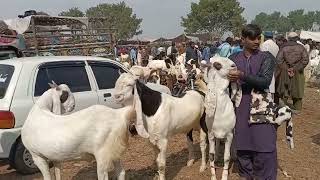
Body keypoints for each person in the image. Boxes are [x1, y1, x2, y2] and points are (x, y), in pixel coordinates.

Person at [228, 24, 277, 180]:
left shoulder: (266, 57)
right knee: (243, 145)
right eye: (252, 38)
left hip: (261, 106)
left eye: (258, 38)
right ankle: (246, 175)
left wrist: (242, 75)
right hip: (240, 105)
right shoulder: (233, 59)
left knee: (265, 145)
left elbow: (264, 81)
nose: (257, 41)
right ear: (243, 39)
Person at [276, 32, 309, 111]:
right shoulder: (301, 48)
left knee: (284, 90)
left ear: (288, 38)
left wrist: (287, 69)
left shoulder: (283, 47)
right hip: (298, 72)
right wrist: (296, 68)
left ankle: (283, 108)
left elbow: (278, 60)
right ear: (297, 38)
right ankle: (297, 108)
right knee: (297, 90)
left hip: (285, 72)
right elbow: (305, 60)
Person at [260, 31, 279, 97]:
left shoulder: (265, 44)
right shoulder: (275, 45)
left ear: (265, 37)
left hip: (265, 68)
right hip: (273, 66)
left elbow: (263, 57)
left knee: (267, 88)